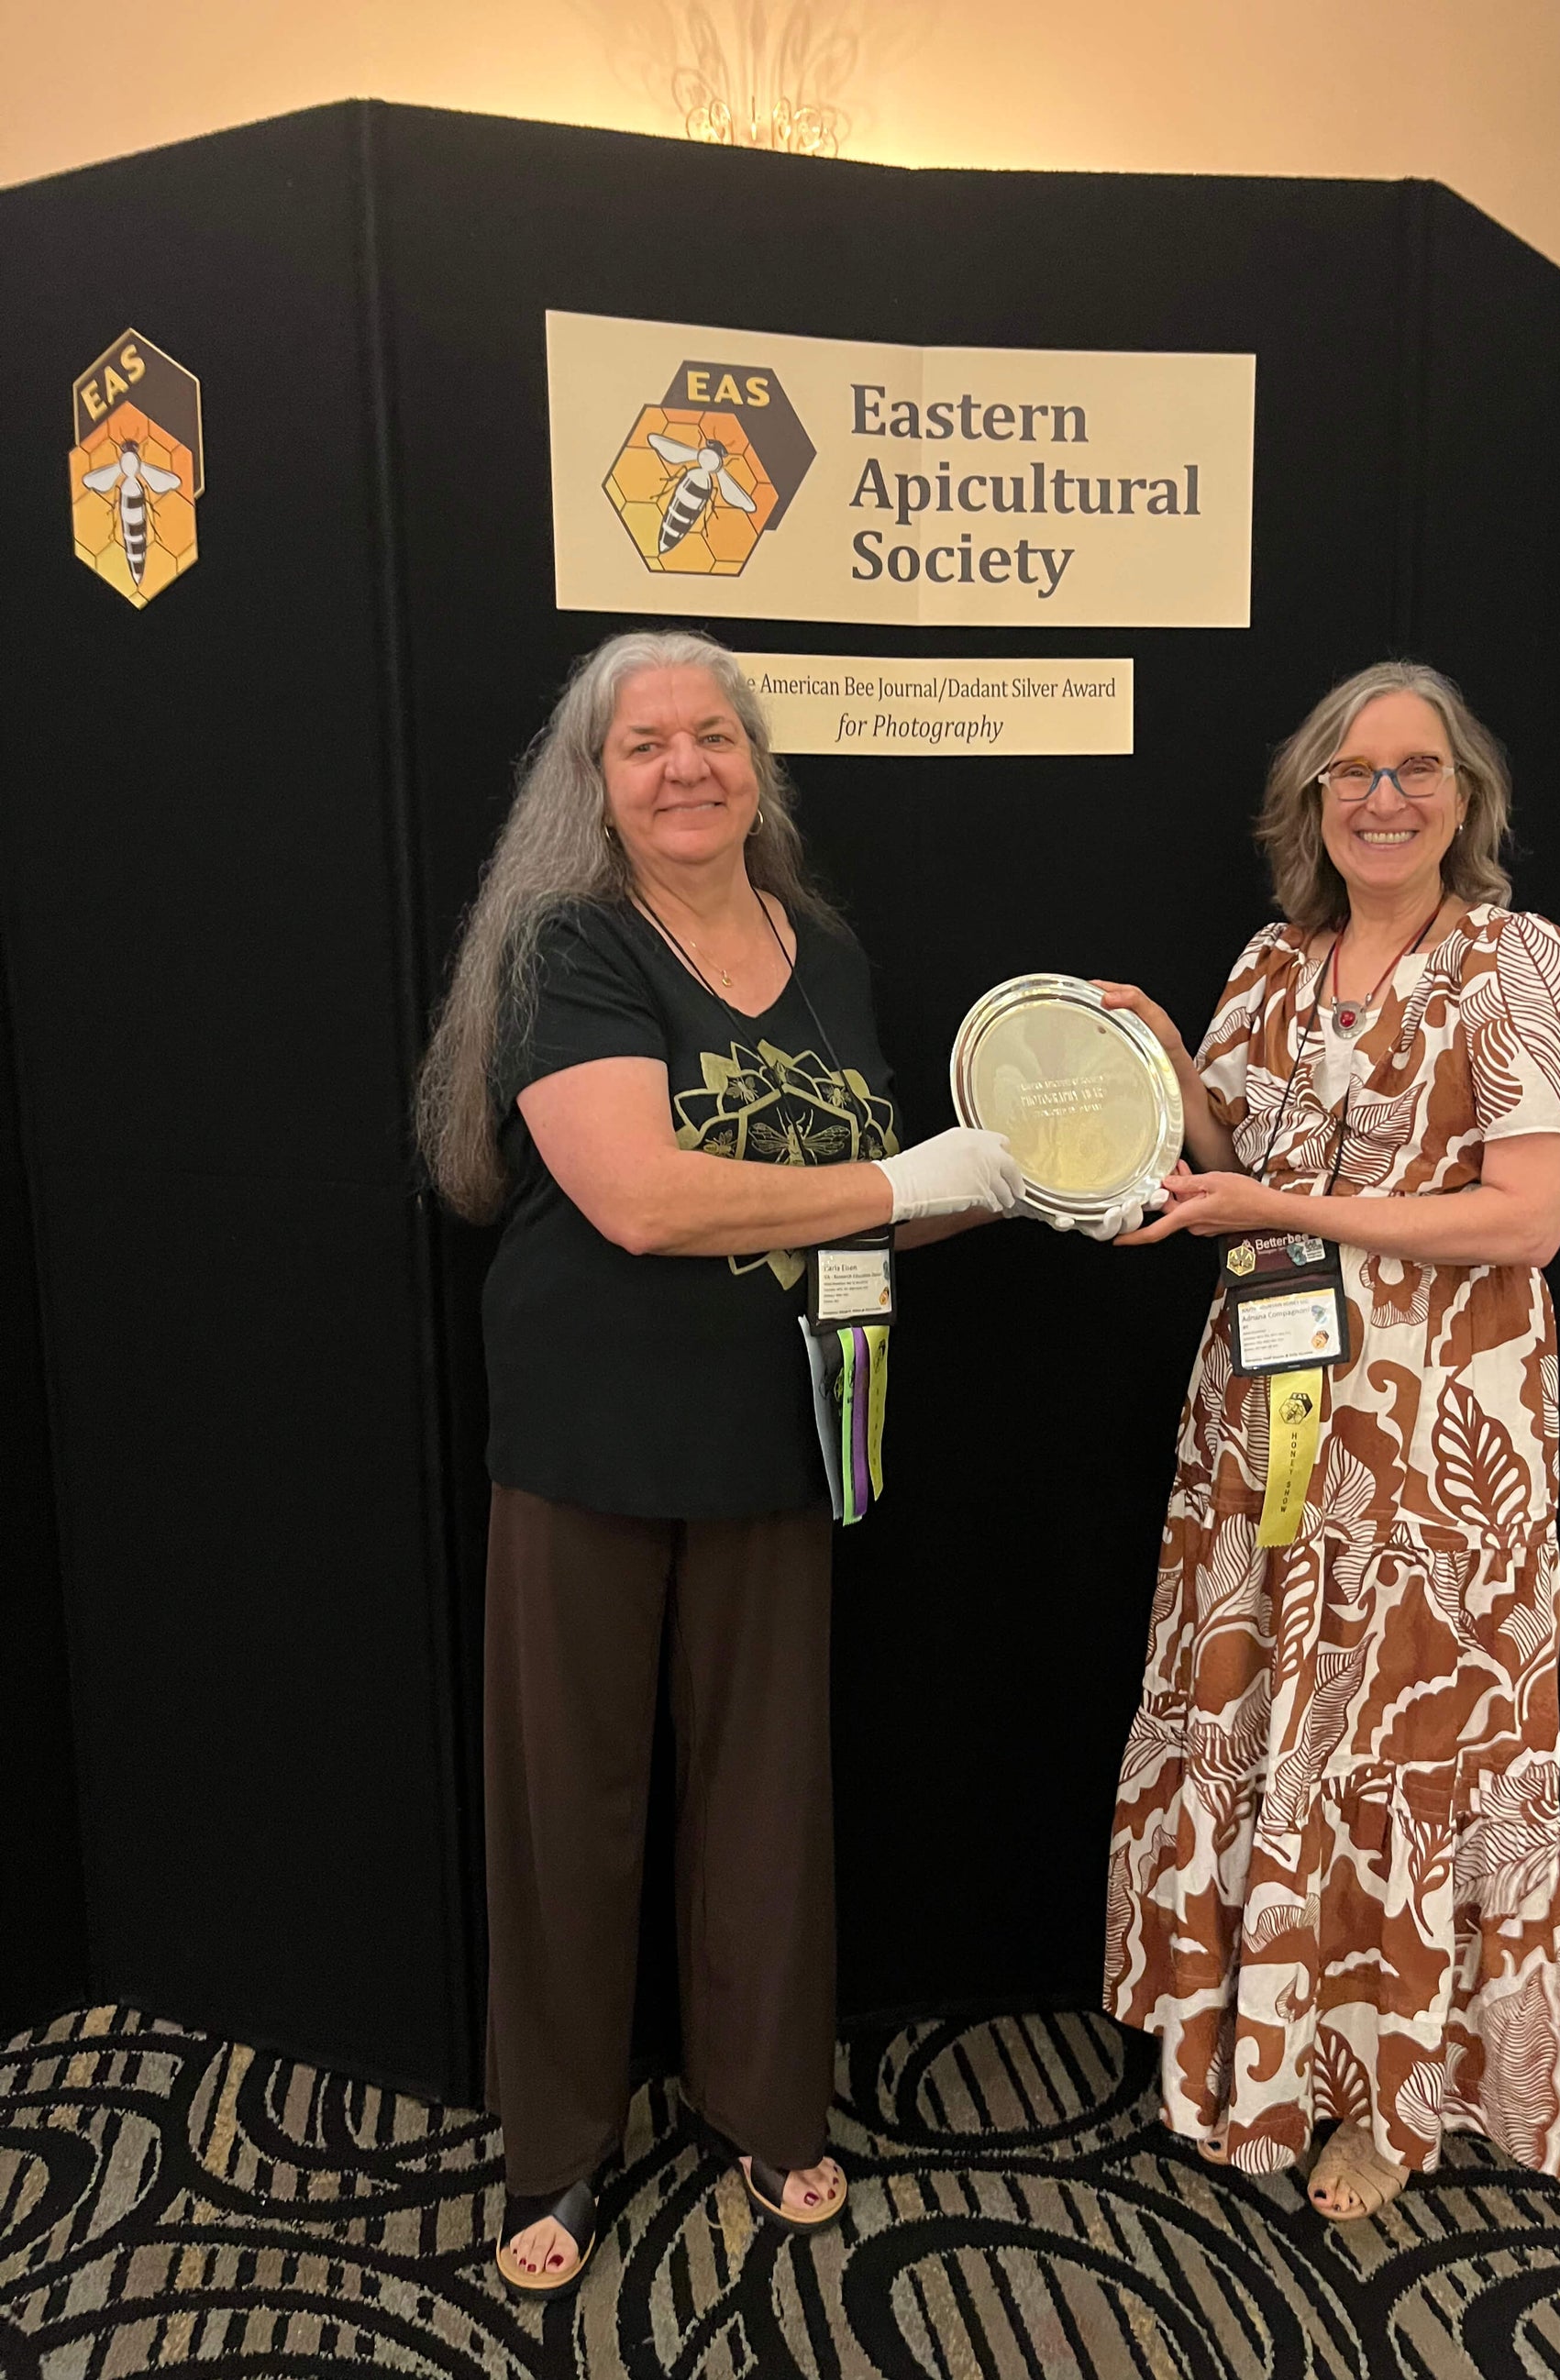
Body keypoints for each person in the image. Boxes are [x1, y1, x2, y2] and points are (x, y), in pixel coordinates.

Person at [415, 629, 1027, 2297]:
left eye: (713, 736)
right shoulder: (569, 943)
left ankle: (768, 2108)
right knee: (571, 1804)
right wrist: (911, 1184)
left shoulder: (819, 945)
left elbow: (883, 1185)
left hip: (788, 1425)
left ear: (757, 763)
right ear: (593, 781)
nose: (685, 766)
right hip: (593, 1433)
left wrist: (1053, 1152)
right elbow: (645, 1199)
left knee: (770, 1796)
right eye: (643, 744)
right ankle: (556, 2144)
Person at [1098, 660, 1560, 2220]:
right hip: (1265, 1423)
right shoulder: (1273, 966)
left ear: (1465, 798)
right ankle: (1254, 2053)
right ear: (1309, 804)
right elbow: (1228, 1158)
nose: (1383, 797)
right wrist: (1159, 1071)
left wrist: (1275, 1209)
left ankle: (1391, 2104)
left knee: (1401, 1748)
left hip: (1435, 1441)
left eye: (1415, 769)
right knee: (1276, 1715)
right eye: (1351, 773)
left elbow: (1527, 1218)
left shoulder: (1519, 968)